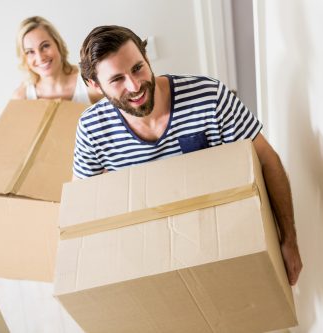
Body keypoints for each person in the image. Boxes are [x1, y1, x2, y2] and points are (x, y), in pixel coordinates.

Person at [73, 25, 302, 285]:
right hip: (153, 262)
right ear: (94, 84)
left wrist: (289, 240)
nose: (135, 85)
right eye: (117, 79)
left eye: (138, 68)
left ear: (147, 58)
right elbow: (85, 205)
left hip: (227, 243)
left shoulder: (209, 97)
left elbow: (266, 159)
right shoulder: (91, 129)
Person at [12, 16, 101, 104]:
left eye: (45, 46)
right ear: (24, 58)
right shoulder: (22, 98)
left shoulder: (90, 83)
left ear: (58, 44)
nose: (40, 58)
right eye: (30, 52)